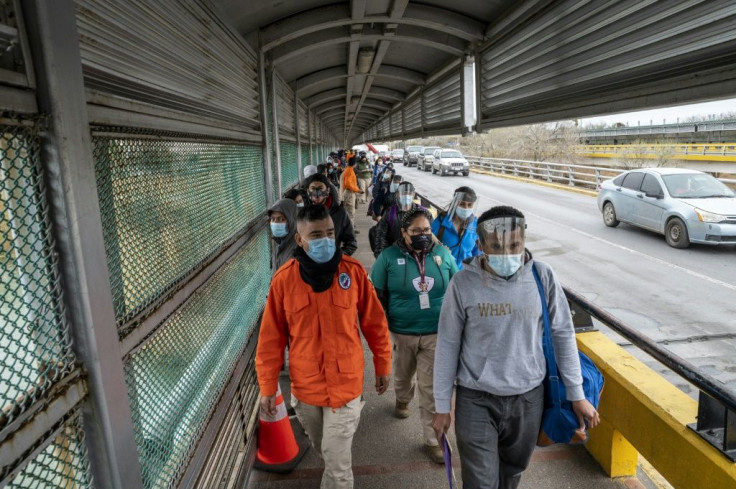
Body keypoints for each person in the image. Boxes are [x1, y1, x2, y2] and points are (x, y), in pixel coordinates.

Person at [432, 205, 600, 489]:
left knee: (512, 472)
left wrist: (577, 394)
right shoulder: (462, 284)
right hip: (476, 398)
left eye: (514, 245)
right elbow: (447, 344)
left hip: (528, 398)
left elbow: (563, 335)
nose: (506, 253)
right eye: (495, 246)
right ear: (481, 244)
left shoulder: (542, 277)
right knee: (479, 481)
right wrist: (441, 406)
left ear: (524, 241)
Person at [256, 204, 391, 489]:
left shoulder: (352, 273)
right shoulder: (284, 281)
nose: (325, 240)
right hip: (306, 388)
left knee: (339, 466)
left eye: (330, 233)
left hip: (345, 386)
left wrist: (383, 363)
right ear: (299, 240)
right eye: (316, 235)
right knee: (325, 451)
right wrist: (267, 386)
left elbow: (375, 324)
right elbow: (271, 339)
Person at [370, 208, 458, 464]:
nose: (423, 235)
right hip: (402, 331)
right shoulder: (388, 257)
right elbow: (377, 294)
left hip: (436, 332)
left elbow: (457, 286)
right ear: (404, 233)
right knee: (402, 374)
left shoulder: (442, 254)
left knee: (431, 388)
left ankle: (434, 440)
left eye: (427, 231)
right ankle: (402, 398)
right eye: (417, 231)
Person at [305, 174, 357, 255]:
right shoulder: (303, 213)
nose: (317, 192)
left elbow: (351, 243)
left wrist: (337, 257)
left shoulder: (340, 213)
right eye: (313, 188)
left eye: (320, 188)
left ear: (328, 190)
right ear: (308, 191)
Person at [431, 186, 482, 269]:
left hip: (465, 274)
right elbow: (429, 244)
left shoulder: (475, 226)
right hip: (443, 271)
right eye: (462, 204)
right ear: (454, 203)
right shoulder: (441, 222)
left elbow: (477, 253)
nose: (466, 208)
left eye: (470, 205)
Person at [373, 181, 420, 256]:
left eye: (409, 193)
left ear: (413, 194)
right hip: (395, 254)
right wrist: (381, 257)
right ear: (398, 194)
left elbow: (431, 236)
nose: (407, 196)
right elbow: (381, 236)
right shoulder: (390, 212)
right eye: (404, 193)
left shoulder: (422, 212)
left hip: (416, 256)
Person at [268, 198, 298, 272]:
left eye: (281, 219)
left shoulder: (297, 250)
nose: (275, 223)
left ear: (292, 220)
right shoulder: (279, 241)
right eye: (272, 219)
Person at [340, 157, 362, 227]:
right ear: (355, 164)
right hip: (349, 193)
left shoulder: (349, 170)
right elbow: (348, 184)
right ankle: (350, 231)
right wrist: (358, 190)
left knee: (350, 212)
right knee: (350, 213)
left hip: (349, 192)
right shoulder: (349, 171)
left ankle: (350, 229)